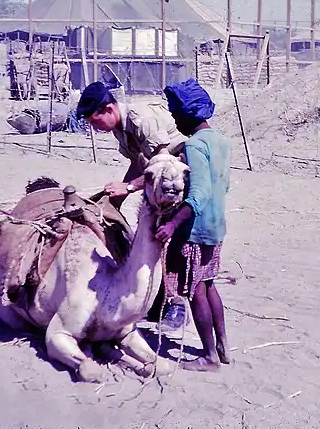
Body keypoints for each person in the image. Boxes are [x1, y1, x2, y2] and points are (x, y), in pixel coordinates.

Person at [76, 81, 188, 330]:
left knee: (171, 239)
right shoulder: (121, 129)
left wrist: (127, 188)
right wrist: (115, 200)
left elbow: (162, 166)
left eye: (94, 121)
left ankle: (177, 304)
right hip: (159, 185)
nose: (94, 127)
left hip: (177, 181)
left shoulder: (141, 120)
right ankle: (157, 301)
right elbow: (140, 164)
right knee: (147, 238)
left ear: (108, 109)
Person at [155, 78, 231, 372]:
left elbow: (198, 193)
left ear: (189, 114)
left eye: (177, 116)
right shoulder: (221, 142)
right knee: (209, 284)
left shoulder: (195, 145)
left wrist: (173, 224)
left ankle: (209, 357)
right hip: (217, 225)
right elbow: (222, 186)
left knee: (196, 289)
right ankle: (223, 347)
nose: (176, 122)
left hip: (195, 230)